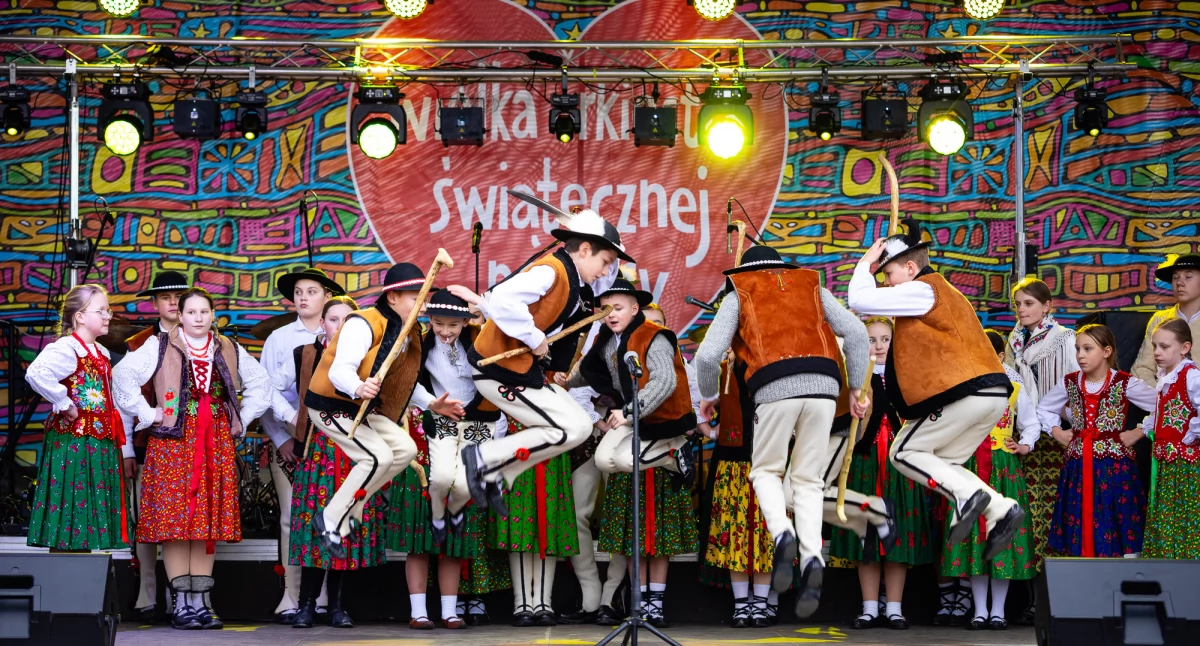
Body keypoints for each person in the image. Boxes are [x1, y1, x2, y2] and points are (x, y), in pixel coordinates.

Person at [694, 244, 871, 618]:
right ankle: (810, 557)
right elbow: (856, 331)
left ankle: (782, 535)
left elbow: (709, 356)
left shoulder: (741, 291)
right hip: (826, 387)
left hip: (775, 386)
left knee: (765, 472)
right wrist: (856, 387)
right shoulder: (812, 286)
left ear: (744, 272)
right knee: (807, 480)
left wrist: (709, 396)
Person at [846, 219, 1024, 572]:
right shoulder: (936, 294)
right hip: (988, 394)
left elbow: (858, 299)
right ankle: (1000, 508)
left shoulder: (924, 288)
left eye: (890, 274)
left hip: (967, 393)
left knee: (903, 451)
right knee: (944, 464)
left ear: (911, 267)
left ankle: (969, 498)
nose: (887, 283)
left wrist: (865, 265)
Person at [113, 287, 271, 630]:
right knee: (175, 523)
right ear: (180, 315)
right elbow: (122, 377)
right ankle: (181, 604)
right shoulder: (158, 344)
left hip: (214, 441)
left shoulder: (227, 346)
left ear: (212, 315)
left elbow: (261, 383)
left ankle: (200, 602)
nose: (198, 318)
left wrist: (240, 418)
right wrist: (149, 413)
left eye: (204, 312)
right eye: (192, 312)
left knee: (205, 521)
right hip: (173, 441)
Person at [452, 209, 631, 512]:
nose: (604, 272)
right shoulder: (552, 271)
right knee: (566, 430)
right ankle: (481, 459)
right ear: (585, 250)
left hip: (518, 372)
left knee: (580, 428)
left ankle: (499, 474)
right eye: (605, 262)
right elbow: (502, 299)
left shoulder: (573, 282)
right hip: (496, 369)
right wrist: (535, 340)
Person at [580, 298, 699, 628]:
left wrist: (693, 423)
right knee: (632, 537)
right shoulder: (614, 346)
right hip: (629, 459)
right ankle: (638, 601)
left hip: (658, 452)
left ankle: (655, 603)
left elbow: (686, 398)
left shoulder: (664, 347)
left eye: (654, 322)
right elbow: (591, 373)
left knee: (660, 537)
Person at [390, 289, 502, 630]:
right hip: (427, 441)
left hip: (474, 426)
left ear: (466, 321)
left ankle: (450, 610)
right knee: (419, 534)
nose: (445, 331)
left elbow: (496, 385)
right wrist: (431, 404)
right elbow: (406, 385)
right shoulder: (419, 345)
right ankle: (419, 612)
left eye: (452, 325)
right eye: (438, 323)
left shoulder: (482, 342)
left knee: (455, 531)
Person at [270, 295, 383, 629]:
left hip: (354, 451)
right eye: (334, 319)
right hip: (319, 450)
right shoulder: (305, 354)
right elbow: (267, 388)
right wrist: (293, 419)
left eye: (349, 320)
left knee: (344, 527)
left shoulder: (369, 359)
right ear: (323, 323)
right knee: (312, 525)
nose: (340, 325)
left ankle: (336, 606)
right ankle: (306, 605)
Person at [302, 262, 427, 557]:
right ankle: (330, 518)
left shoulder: (407, 331)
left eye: (423, 296)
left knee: (405, 451)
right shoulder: (363, 323)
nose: (422, 303)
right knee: (376, 457)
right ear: (393, 298)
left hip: (364, 408)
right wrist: (358, 387)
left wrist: (433, 403)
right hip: (332, 404)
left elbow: (404, 382)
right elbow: (339, 372)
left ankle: (353, 509)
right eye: (415, 296)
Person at [829, 317, 932, 630]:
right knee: (867, 536)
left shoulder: (908, 373)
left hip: (899, 463)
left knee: (897, 534)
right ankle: (870, 606)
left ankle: (895, 608)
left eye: (885, 339)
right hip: (865, 461)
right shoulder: (855, 377)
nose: (878, 346)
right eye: (871, 340)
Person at [259, 267, 345, 623]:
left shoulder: (344, 333)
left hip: (333, 444)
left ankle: (323, 597)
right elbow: (264, 394)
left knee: (332, 517)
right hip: (292, 445)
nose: (303, 297)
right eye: (298, 291)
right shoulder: (279, 338)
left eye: (312, 291)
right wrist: (282, 438)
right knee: (292, 518)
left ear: (327, 298)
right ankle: (291, 596)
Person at [941, 330, 1039, 631]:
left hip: (1002, 466)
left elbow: (1031, 422)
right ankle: (979, 611)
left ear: (998, 356)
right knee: (975, 539)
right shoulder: (963, 387)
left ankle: (998, 611)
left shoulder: (1014, 388)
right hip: (970, 465)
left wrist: (1025, 444)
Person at [25, 284, 134, 553]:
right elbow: (36, 373)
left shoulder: (101, 352)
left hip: (97, 442)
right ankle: (66, 579)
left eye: (108, 310)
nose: (108, 315)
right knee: (72, 510)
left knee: (84, 518)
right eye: (102, 310)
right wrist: (63, 402)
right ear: (80, 316)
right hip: (75, 443)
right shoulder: (66, 348)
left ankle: (82, 578)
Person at [1035, 324, 1153, 558]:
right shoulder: (1069, 382)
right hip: (1078, 467)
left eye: (1088, 349)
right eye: (1078, 349)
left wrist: (1139, 432)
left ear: (1107, 352)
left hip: (1115, 469)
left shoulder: (1125, 382)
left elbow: (1164, 405)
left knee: (1115, 517)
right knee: (1080, 518)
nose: (1080, 355)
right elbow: (1043, 408)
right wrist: (1057, 432)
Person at [124, 270, 190, 622]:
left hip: (190, 446)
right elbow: (123, 401)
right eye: (166, 297)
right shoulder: (138, 344)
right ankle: (147, 591)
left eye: (179, 296)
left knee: (185, 521)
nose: (173, 302)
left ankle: (182, 596)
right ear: (155, 303)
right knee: (148, 520)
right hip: (149, 443)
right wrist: (127, 452)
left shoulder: (201, 339)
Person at [1140, 319, 1200, 559]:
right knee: (1168, 517)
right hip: (1168, 464)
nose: (1157, 352)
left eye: (1164, 347)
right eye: (1155, 346)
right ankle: (1169, 566)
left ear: (1184, 348)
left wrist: (1191, 434)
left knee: (1185, 517)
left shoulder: (1192, 376)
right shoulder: (1167, 377)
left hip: (1186, 467)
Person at [1132, 254, 1200, 386]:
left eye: (1188, 277)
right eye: (1175, 278)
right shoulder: (1160, 319)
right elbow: (1141, 369)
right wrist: (1161, 394)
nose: (1180, 283)